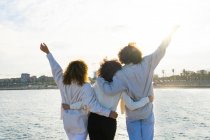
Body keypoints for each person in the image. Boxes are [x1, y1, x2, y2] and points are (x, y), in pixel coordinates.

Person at [96, 27, 179, 140]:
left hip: (132, 115)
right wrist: (171, 33)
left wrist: (99, 79)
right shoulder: (147, 62)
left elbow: (109, 90)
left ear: (122, 57)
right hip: (147, 112)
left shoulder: (120, 73)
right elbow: (161, 48)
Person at [40, 43, 118, 140]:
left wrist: (48, 53)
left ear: (69, 70)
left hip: (67, 122)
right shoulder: (85, 86)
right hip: (80, 123)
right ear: (84, 71)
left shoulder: (62, 82)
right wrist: (109, 113)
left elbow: (56, 69)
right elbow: (91, 105)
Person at [64, 59, 154, 140]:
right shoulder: (121, 88)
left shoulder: (97, 84)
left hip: (93, 120)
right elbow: (132, 106)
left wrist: (71, 106)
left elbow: (87, 103)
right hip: (109, 121)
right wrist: (147, 99)